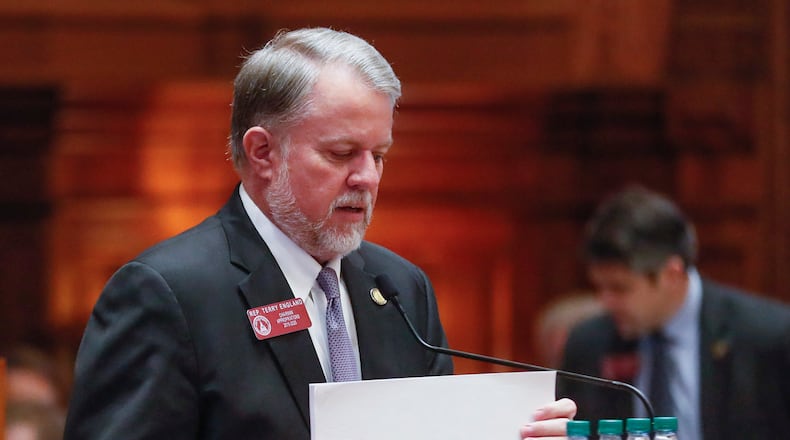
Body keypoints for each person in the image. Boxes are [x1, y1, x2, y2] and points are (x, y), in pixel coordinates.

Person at [63, 27, 575, 439]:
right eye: (340, 154)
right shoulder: (167, 292)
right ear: (263, 153)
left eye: (379, 155)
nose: (368, 178)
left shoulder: (401, 287)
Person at [558, 185, 790, 440]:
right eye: (599, 287)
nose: (606, 302)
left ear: (671, 274)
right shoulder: (589, 344)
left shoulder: (767, 337)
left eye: (619, 288)